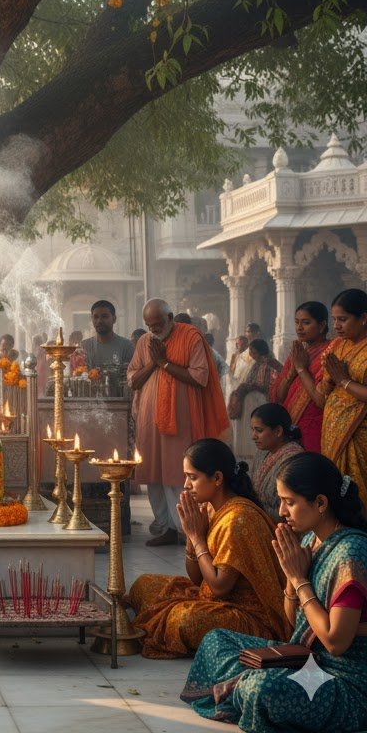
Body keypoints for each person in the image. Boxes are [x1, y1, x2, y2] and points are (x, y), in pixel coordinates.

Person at [183, 453, 367, 732]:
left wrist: (298, 578)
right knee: (215, 641)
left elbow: (334, 642)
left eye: (289, 502)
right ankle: (242, 687)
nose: (281, 511)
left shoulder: (350, 554)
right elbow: (294, 623)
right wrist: (292, 584)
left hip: (344, 682)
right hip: (306, 662)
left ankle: (243, 688)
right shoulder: (310, 539)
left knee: (261, 688)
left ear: (320, 503)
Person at [128, 438, 287, 659]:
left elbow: (220, 587)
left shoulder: (238, 519)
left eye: (192, 477)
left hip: (250, 616)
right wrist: (193, 539)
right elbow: (195, 579)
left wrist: (196, 537)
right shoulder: (211, 508)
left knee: (183, 619)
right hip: (214, 600)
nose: (185, 485)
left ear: (217, 478)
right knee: (143, 585)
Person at [128, 299, 231, 546]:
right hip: (149, 420)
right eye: (149, 325)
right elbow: (133, 379)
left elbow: (199, 377)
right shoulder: (144, 343)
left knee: (178, 474)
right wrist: (154, 362)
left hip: (182, 418)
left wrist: (164, 363)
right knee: (153, 474)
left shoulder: (191, 337)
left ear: (171, 317)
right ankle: (165, 526)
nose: (154, 330)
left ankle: (186, 528)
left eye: (158, 324)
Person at [269, 301, 332, 453]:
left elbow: (320, 399)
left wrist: (301, 368)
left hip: (316, 426)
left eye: (306, 323)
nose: (299, 328)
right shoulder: (298, 353)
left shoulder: (330, 352)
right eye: (296, 322)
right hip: (291, 425)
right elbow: (278, 397)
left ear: (322, 325)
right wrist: (292, 373)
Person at [320, 288, 367, 492]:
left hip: (359, 434)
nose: (336, 326)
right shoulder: (337, 345)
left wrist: (344, 381)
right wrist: (329, 381)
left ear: (363, 318)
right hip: (333, 430)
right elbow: (323, 389)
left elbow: (343, 382)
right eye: (334, 319)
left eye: (343, 319)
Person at [229, 338, 283, 465]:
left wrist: (248, 387)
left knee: (258, 429)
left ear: (259, 351)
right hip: (251, 403)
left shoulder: (269, 362)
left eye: (253, 351)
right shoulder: (256, 363)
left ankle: (258, 456)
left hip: (261, 402)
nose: (251, 354)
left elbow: (266, 384)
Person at [250, 402, 304, 522]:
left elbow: (292, 508)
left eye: (259, 430)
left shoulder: (294, 459)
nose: (253, 436)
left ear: (278, 431)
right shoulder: (263, 452)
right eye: (252, 430)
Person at [79, 300, 134, 369]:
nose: (99, 321)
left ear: (114, 319)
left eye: (104, 316)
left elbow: (132, 375)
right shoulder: (84, 347)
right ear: (92, 319)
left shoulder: (126, 346)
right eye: (96, 317)